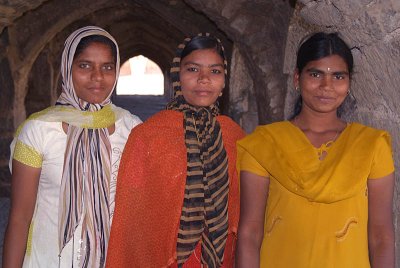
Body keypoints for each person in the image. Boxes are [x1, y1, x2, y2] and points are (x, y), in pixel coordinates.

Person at [236, 32, 395, 268]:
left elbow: (381, 235)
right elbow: (250, 232)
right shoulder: (265, 143)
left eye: (338, 76)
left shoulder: (371, 145)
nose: (326, 86)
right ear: (297, 79)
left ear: (349, 83)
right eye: (315, 74)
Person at [3, 26, 142, 268]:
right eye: (85, 66)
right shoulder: (39, 130)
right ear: (68, 68)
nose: (97, 77)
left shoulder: (132, 129)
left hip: (112, 260)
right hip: (47, 260)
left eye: (107, 67)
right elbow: (19, 218)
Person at [106, 33, 245, 267]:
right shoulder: (148, 135)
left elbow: (244, 214)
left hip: (222, 259)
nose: (204, 79)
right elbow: (131, 220)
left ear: (224, 79)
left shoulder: (234, 136)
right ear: (177, 75)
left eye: (215, 71)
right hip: (163, 259)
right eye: (192, 70)